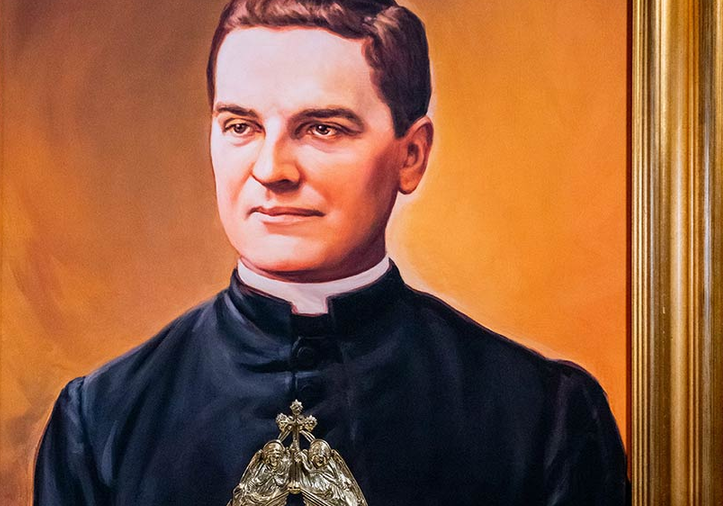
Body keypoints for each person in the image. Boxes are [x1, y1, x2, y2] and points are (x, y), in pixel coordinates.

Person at [34, 0, 628, 504]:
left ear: (411, 155)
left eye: (323, 129)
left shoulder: (545, 418)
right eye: (241, 126)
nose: (271, 170)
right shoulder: (102, 419)